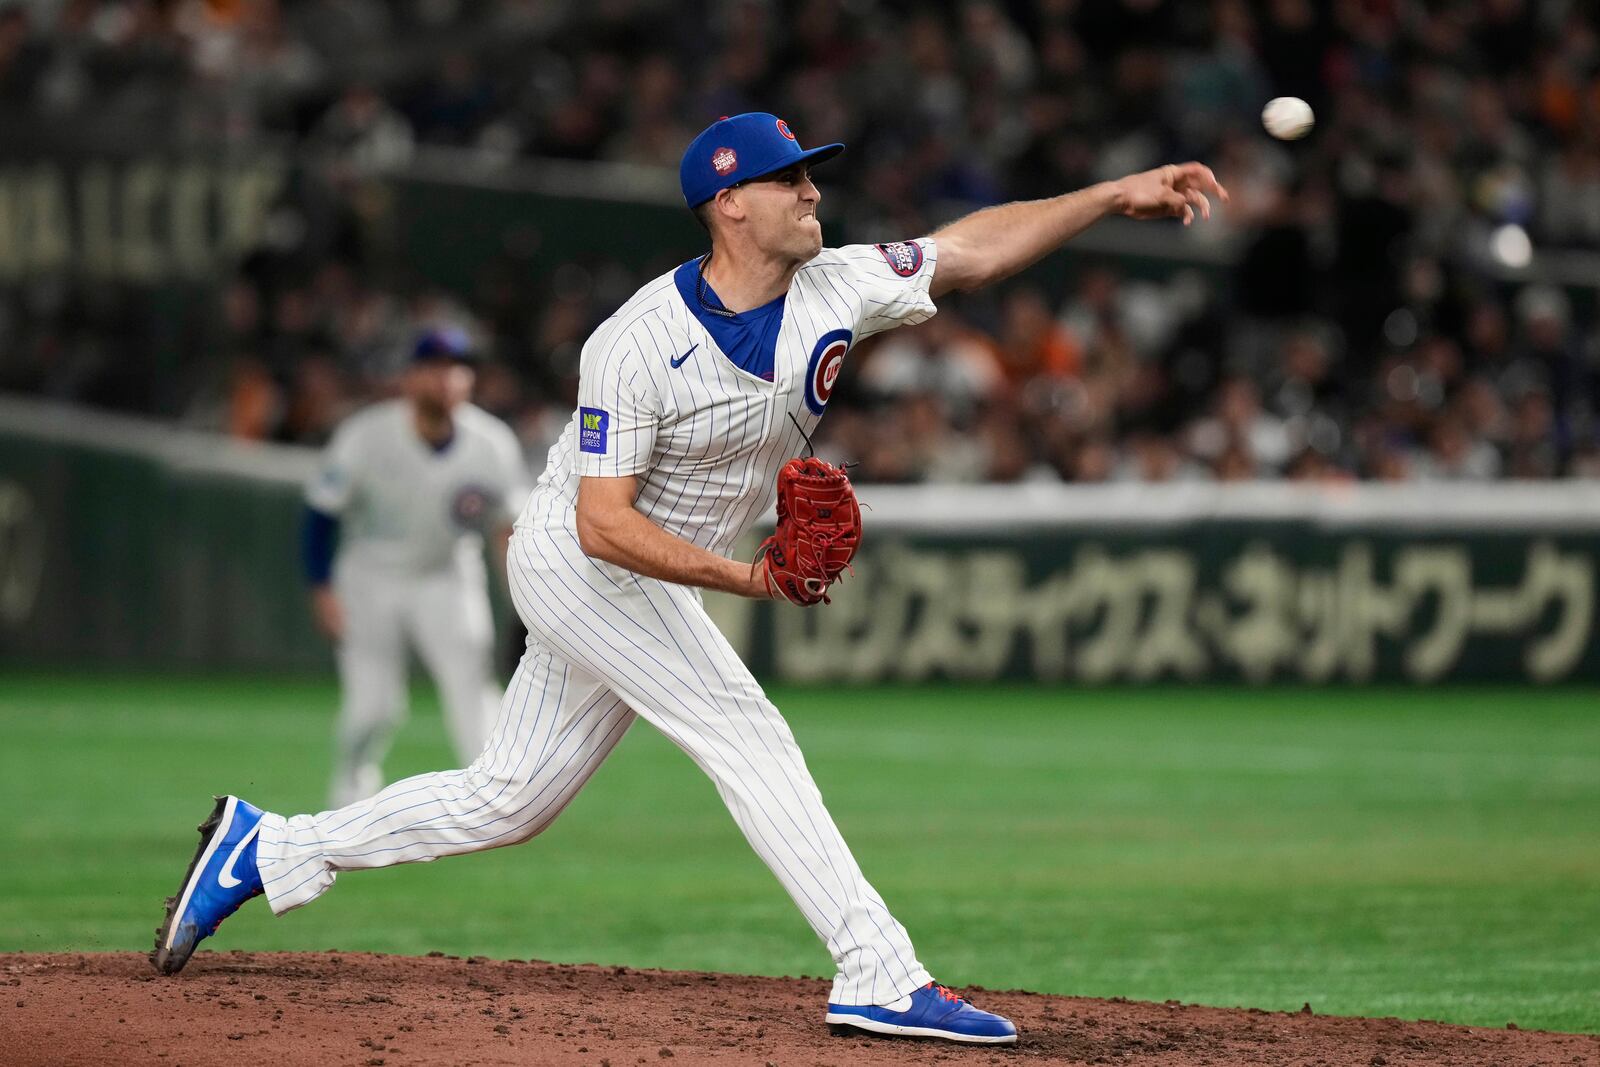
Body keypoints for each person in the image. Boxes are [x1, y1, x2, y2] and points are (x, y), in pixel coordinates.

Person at [152, 113, 1226, 1046]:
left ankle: (273, 843)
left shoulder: (839, 282)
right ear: (730, 206)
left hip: (653, 575)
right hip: (579, 559)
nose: (813, 189)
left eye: (811, 171)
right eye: (788, 177)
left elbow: (967, 254)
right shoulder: (637, 341)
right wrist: (748, 580)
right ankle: (878, 969)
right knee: (742, 724)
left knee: (508, 797)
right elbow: (603, 523)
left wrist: (1108, 194)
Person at [301, 327, 529, 806]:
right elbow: (321, 513)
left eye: (455, 369)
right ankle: (352, 784)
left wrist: (524, 601)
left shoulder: (490, 443)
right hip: (369, 577)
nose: (444, 379)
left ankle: (493, 799)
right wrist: (321, 587)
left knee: (472, 687)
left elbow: (506, 529)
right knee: (375, 705)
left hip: (447, 575)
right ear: (409, 378)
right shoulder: (366, 435)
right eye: (433, 368)